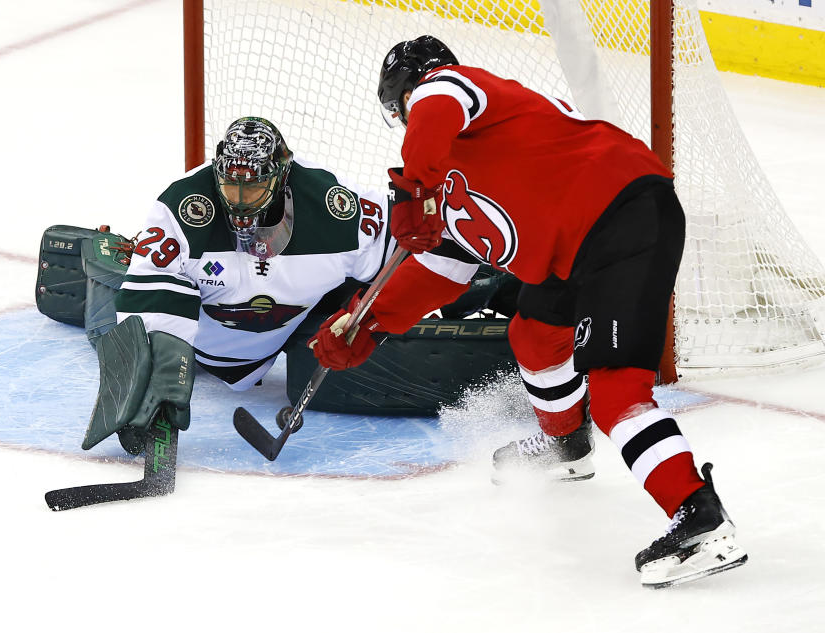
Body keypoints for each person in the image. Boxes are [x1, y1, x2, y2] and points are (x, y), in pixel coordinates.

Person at [308, 36, 747, 588]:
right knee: (535, 333)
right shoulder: (445, 181)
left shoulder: (458, 92)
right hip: (571, 250)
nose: (403, 121)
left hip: (622, 217)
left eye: (400, 111)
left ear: (403, 101)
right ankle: (566, 444)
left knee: (617, 392)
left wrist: (412, 187)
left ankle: (700, 517)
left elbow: (436, 100)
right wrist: (366, 320)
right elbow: (441, 271)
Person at [79, 116, 404, 455]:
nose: (239, 200)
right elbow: (150, 303)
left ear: (281, 176)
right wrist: (156, 372)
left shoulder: (335, 209)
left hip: (279, 334)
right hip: (196, 343)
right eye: (230, 185)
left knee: (352, 297)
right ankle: (107, 274)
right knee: (118, 317)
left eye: (252, 187)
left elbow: (410, 248)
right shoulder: (184, 205)